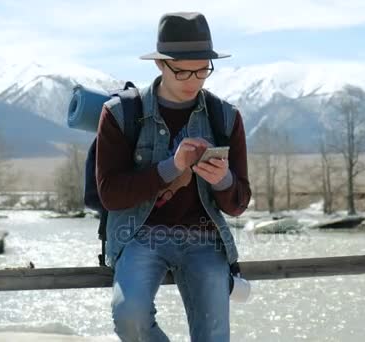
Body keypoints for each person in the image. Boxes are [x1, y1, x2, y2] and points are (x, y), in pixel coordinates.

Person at [95, 11, 252, 342]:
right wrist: (172, 167)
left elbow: (239, 203)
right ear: (160, 64)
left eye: (202, 70)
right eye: (182, 71)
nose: (194, 80)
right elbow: (110, 194)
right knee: (130, 318)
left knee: (213, 336)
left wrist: (222, 179)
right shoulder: (120, 113)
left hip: (203, 237)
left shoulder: (226, 117)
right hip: (139, 235)